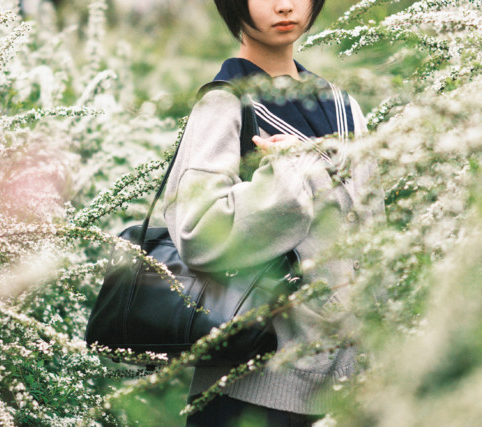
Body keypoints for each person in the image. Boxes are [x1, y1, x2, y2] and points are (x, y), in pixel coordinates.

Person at [162, 0, 381, 425]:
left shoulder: (343, 105)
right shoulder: (224, 102)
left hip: (347, 385)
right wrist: (293, 170)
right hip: (253, 382)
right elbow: (198, 232)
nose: (285, 6)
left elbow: (373, 230)